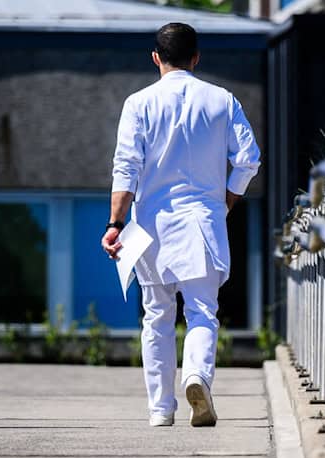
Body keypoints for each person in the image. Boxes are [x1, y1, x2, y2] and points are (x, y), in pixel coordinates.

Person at [101, 22, 261, 427]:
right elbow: (248, 158)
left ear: (155, 58)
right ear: (196, 58)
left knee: (156, 316)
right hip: (203, 223)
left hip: (151, 227)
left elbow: (126, 169)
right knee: (203, 312)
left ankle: (160, 409)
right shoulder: (221, 100)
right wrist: (224, 200)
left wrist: (115, 223)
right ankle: (196, 377)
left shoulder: (138, 104)